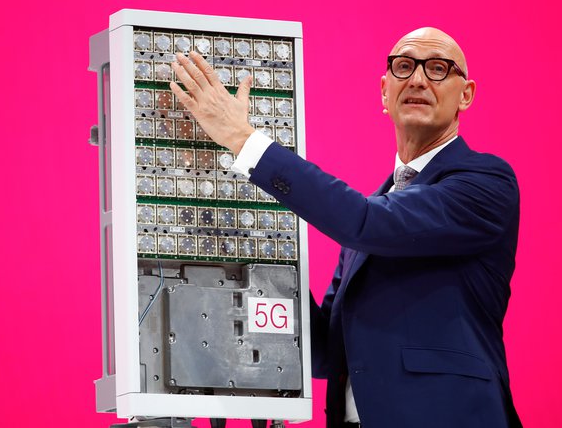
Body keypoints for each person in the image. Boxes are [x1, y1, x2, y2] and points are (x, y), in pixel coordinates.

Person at [169, 27, 522, 428]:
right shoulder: (375, 213)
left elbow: (365, 222)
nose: (419, 79)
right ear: (384, 92)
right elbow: (328, 352)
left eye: (438, 68)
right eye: (404, 66)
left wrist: (242, 138)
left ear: (466, 94)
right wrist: (243, 262)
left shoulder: (485, 183)